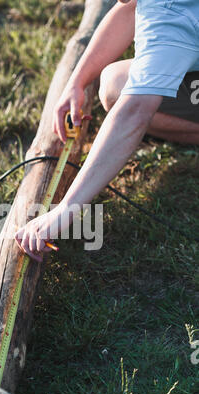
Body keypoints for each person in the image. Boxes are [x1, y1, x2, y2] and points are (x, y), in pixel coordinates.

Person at [15, 0, 199, 262]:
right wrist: (77, 81)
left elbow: (134, 111)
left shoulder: (169, 15)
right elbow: (127, 8)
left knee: (129, 94)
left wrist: (65, 210)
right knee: (115, 83)